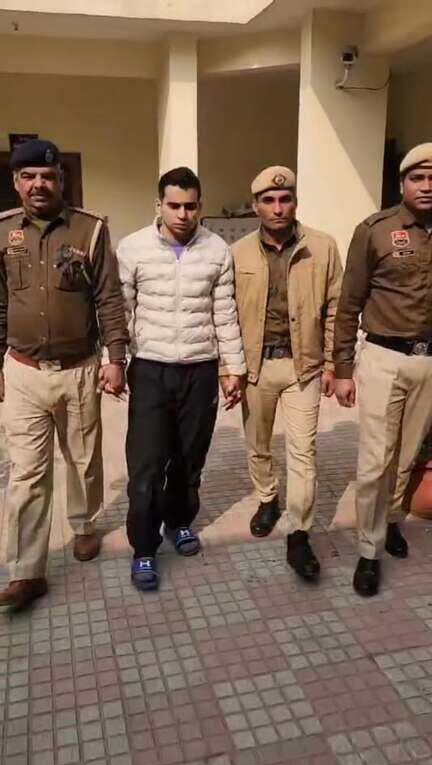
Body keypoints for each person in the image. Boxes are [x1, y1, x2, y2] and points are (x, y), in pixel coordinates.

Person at [0, 139, 128, 608]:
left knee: (83, 458)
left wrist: (116, 358)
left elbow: (108, 297)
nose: (39, 184)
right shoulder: (3, 233)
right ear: (16, 182)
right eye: (29, 176)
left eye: (48, 177)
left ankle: (84, 523)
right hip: (23, 371)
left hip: (79, 369)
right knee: (27, 473)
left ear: (60, 180)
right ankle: (26, 571)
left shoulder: (89, 230)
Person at [117, 166, 245, 591]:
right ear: (159, 205)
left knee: (190, 457)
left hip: (200, 369)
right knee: (147, 463)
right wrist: (112, 360)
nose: (183, 214)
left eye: (190, 206)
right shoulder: (133, 248)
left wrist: (233, 368)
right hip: (150, 369)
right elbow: (122, 313)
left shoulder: (216, 250)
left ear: (200, 206)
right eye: (174, 205)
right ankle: (144, 547)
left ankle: (179, 521)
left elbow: (224, 312)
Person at [231, 165, 342, 581]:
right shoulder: (237, 253)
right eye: (269, 201)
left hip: (303, 368)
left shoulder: (322, 247)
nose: (278, 208)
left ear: (295, 201)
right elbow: (224, 313)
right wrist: (229, 369)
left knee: (303, 452)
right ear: (255, 205)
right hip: (255, 367)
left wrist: (332, 363)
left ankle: (299, 532)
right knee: (257, 443)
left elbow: (336, 308)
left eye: (285, 199)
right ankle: (267, 498)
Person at [334, 142, 432, 597]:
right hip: (382, 358)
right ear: (402, 183)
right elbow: (349, 302)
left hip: (428, 362)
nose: (427, 186)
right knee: (375, 460)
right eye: (418, 177)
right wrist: (342, 367)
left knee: (406, 456)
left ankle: (391, 520)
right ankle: (369, 550)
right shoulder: (375, 230)